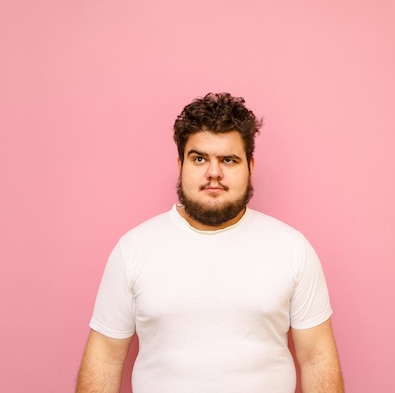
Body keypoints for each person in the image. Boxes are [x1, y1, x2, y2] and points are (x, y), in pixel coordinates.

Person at [76, 92, 344, 393]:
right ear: (180, 164)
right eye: (199, 158)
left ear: (250, 166)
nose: (213, 173)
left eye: (228, 160)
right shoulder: (134, 249)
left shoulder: (292, 249)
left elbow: (316, 358)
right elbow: (105, 358)